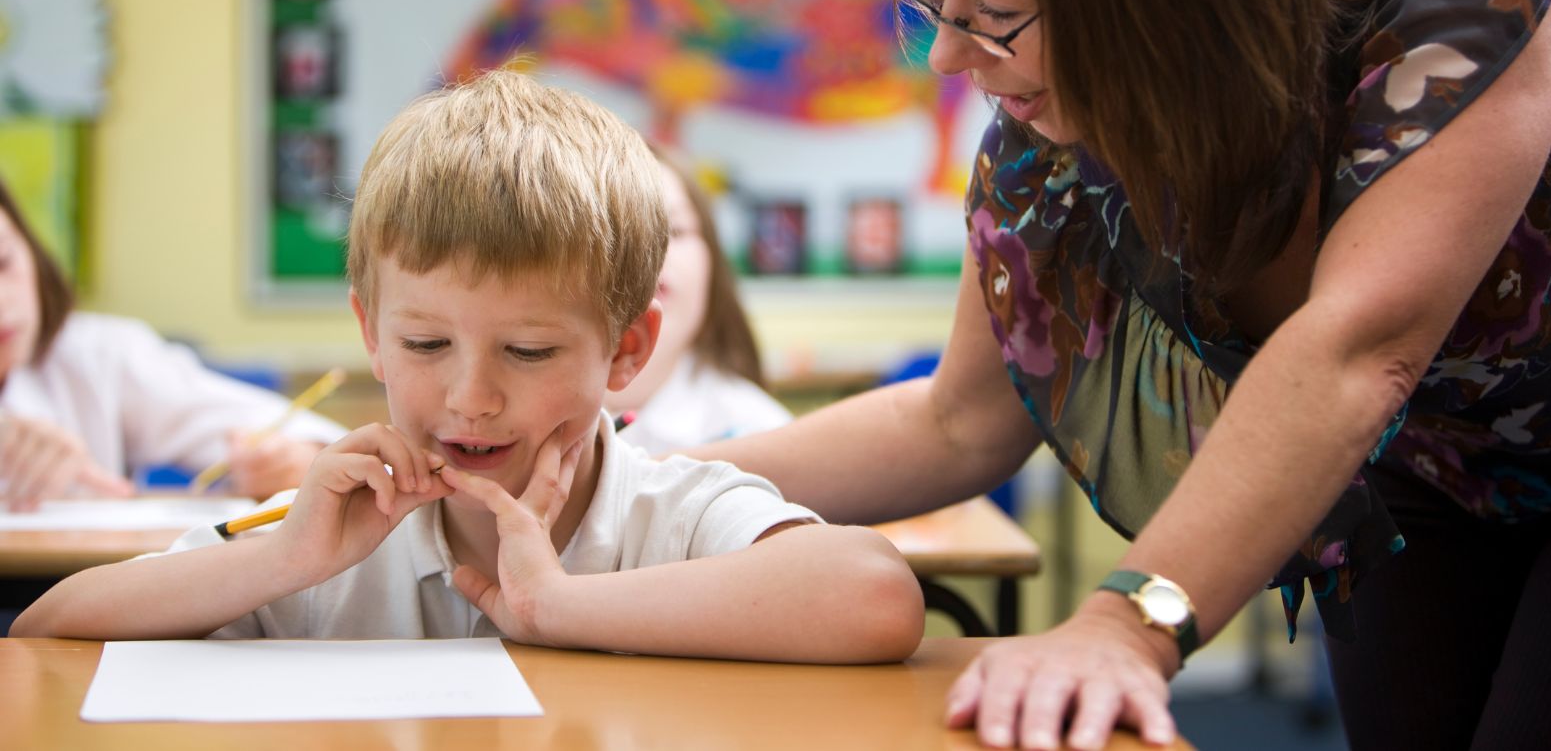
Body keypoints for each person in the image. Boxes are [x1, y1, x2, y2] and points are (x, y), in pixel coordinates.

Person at [682, 0, 1551, 748]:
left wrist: (1127, 623)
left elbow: (1359, 347)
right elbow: (957, 422)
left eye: (994, 11)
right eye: (932, 2)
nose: (950, 58)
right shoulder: (1056, 126)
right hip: (1434, 468)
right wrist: (648, 481)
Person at [12, 70, 925, 665]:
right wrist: (280, 560)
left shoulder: (673, 508)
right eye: (424, 345)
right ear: (370, 331)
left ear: (628, 350)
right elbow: (49, 631)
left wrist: (557, 608)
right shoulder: (328, 533)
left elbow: (875, 596)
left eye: (528, 352)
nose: (470, 398)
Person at [0, 179, 344, 509]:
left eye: (4, 263)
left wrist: (289, 461)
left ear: (30, 249)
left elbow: (280, 433)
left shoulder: (97, 355)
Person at [603, 148, 791, 456]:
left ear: (712, 261)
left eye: (674, 230)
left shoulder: (760, 432)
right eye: (618, 231)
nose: (651, 251)